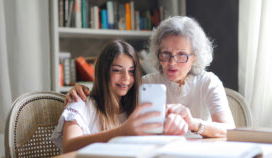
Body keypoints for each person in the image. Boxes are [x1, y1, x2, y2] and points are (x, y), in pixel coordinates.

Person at [64, 16, 236, 138]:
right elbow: (112, 99)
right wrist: (80, 89)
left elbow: (229, 130)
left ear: (195, 57)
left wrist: (193, 123)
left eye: (181, 55)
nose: (172, 62)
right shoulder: (146, 83)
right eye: (166, 54)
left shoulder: (208, 81)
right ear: (157, 52)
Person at [51, 40, 188, 153]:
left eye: (131, 71)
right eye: (117, 70)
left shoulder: (137, 107)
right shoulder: (81, 102)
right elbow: (69, 146)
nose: (126, 79)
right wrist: (122, 131)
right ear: (103, 72)